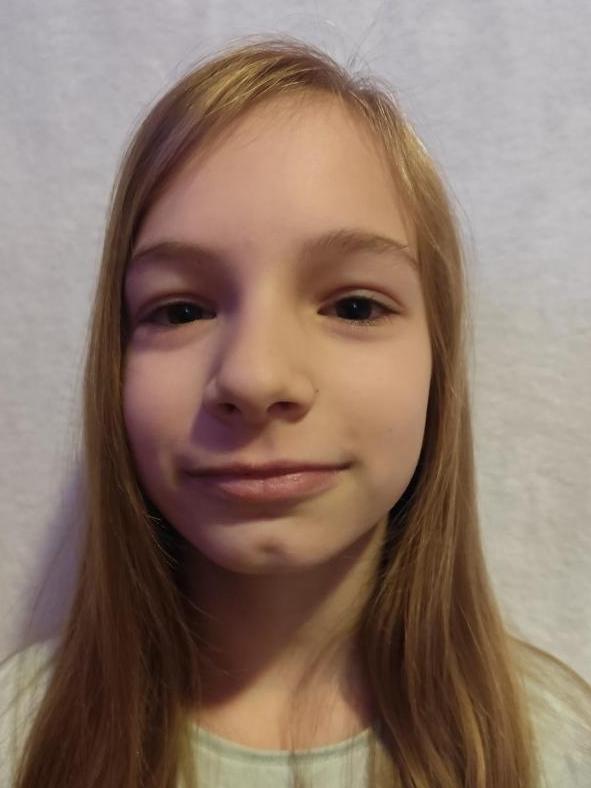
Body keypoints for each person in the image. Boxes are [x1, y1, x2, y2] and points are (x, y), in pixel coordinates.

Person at [1, 34, 590, 788]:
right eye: (181, 310)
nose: (254, 377)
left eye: (353, 305)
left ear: (438, 366)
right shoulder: (20, 739)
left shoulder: (556, 748)